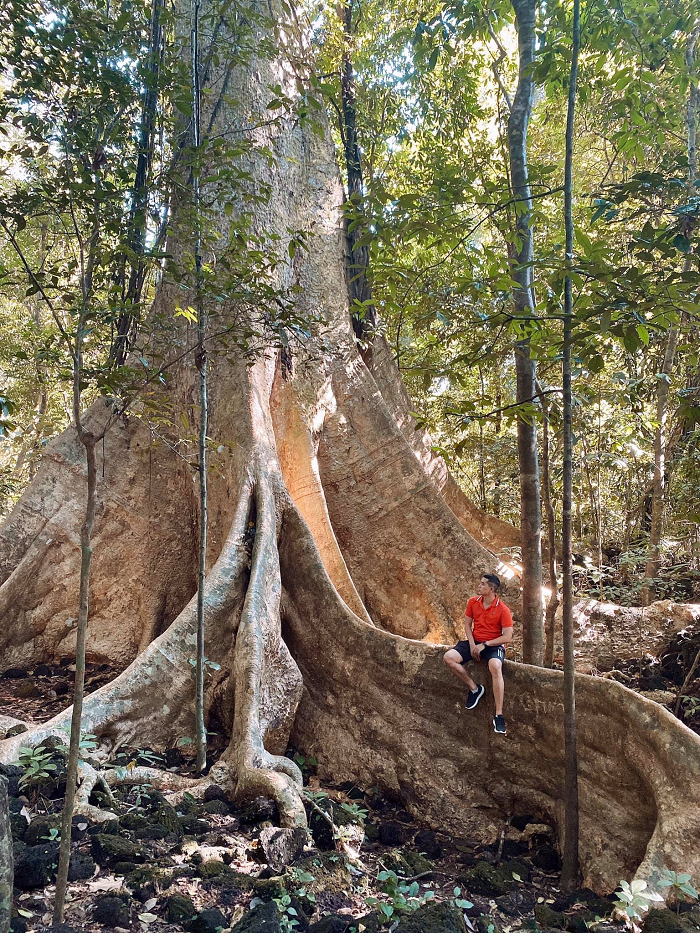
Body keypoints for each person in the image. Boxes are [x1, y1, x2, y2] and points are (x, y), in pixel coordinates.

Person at [443, 573, 513, 735]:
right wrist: (474, 645)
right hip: (475, 643)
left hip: (492, 644)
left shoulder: (503, 609)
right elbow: (467, 625)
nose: (479, 586)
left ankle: (499, 715)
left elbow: (507, 636)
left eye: (482, 584)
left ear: (491, 589)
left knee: (495, 666)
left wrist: (485, 645)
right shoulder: (473, 602)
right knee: (449, 657)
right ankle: (474, 689)